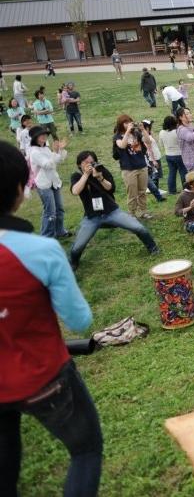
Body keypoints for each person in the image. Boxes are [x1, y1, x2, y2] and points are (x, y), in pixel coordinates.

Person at [0, 141, 103, 497]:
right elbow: (79, 320)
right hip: (44, 378)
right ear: (19, 189)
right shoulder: (40, 251)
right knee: (86, 450)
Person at [69, 150, 159, 269]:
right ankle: (73, 262)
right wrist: (85, 175)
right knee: (78, 246)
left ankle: (153, 248)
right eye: (86, 162)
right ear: (79, 164)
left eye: (92, 162)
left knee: (138, 227)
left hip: (111, 211)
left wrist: (100, 178)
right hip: (92, 216)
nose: (90, 165)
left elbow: (110, 188)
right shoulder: (77, 176)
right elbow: (75, 191)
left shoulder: (102, 170)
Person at [28, 125, 69, 238]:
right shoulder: (34, 152)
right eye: (41, 135)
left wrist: (61, 149)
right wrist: (55, 152)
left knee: (59, 209)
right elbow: (48, 165)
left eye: (45, 134)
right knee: (50, 212)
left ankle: (60, 231)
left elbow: (59, 160)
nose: (44, 136)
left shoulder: (45, 148)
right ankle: (47, 237)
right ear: (35, 138)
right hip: (44, 185)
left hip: (54, 182)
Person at [113, 114, 152, 219]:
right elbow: (122, 145)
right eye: (125, 123)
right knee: (132, 193)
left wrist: (143, 130)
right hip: (128, 169)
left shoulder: (137, 133)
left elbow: (148, 141)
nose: (128, 124)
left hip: (141, 166)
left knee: (142, 191)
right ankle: (132, 213)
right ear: (121, 125)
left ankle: (143, 211)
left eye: (129, 122)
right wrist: (127, 132)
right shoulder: (117, 136)